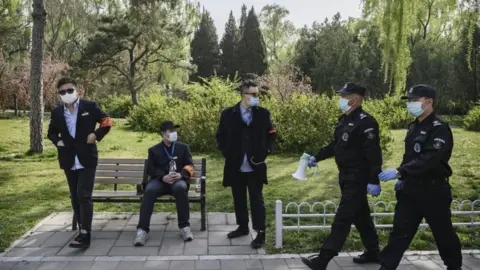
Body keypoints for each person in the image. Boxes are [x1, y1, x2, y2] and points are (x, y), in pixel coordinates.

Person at [377, 84, 462, 270]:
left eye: (415, 100)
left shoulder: (439, 128)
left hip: (434, 191)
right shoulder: (414, 126)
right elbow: (411, 157)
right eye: (409, 100)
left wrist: (400, 172)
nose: (410, 104)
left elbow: (430, 159)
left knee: (443, 234)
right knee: (399, 233)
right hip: (411, 190)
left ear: (429, 102)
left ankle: (454, 266)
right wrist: (403, 178)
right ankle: (386, 267)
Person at [301, 82, 382, 270]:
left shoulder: (366, 122)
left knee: (343, 218)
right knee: (361, 215)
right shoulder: (344, 120)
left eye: (344, 96)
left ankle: (323, 258)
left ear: (355, 99)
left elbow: (374, 154)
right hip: (345, 176)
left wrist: (374, 179)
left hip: (358, 177)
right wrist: (316, 157)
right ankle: (373, 251)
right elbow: (334, 146)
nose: (340, 99)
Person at [47, 78, 113, 249]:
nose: (66, 94)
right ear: (59, 94)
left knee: (84, 195)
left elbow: (107, 121)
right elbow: (51, 132)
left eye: (69, 90)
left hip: (87, 158)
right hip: (68, 159)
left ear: (77, 90)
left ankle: (85, 234)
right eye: (62, 92)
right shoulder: (56, 112)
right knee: (75, 196)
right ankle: (82, 229)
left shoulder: (90, 106)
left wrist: (96, 135)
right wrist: (58, 142)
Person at [215, 80, 276, 249]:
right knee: (239, 198)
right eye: (253, 94)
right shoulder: (228, 114)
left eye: (258, 94)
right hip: (235, 164)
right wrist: (226, 151)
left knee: (257, 199)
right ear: (243, 95)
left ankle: (260, 232)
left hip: (255, 164)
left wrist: (266, 151)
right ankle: (242, 227)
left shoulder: (263, 114)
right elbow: (220, 136)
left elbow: (271, 134)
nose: (257, 97)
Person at [134, 120, 195, 246]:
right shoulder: (154, 150)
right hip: (160, 181)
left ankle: (184, 227)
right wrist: (162, 177)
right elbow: (151, 169)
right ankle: (142, 230)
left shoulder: (183, 147)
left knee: (180, 188)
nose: (174, 133)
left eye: (175, 131)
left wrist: (181, 174)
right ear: (163, 133)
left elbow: (190, 165)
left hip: (177, 180)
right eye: (171, 131)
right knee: (149, 191)